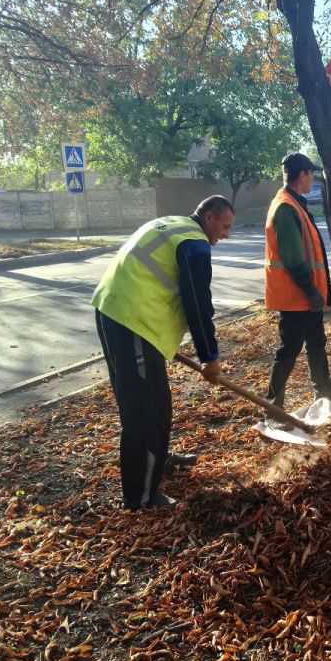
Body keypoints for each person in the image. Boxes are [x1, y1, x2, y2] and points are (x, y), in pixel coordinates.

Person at [91, 195, 235, 510]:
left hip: (114, 310)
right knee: (146, 411)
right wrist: (209, 356)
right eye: (224, 227)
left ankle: (157, 460)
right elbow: (197, 303)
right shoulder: (193, 242)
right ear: (208, 217)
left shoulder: (174, 224)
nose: (226, 235)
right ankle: (140, 497)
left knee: (147, 402)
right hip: (134, 322)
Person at [264, 153, 331, 422]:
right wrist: (311, 291)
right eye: (311, 174)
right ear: (302, 174)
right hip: (295, 297)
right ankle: (273, 409)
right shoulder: (286, 207)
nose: (312, 179)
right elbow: (292, 258)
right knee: (288, 350)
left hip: (305, 297)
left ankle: (324, 391)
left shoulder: (296, 204)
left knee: (316, 343)